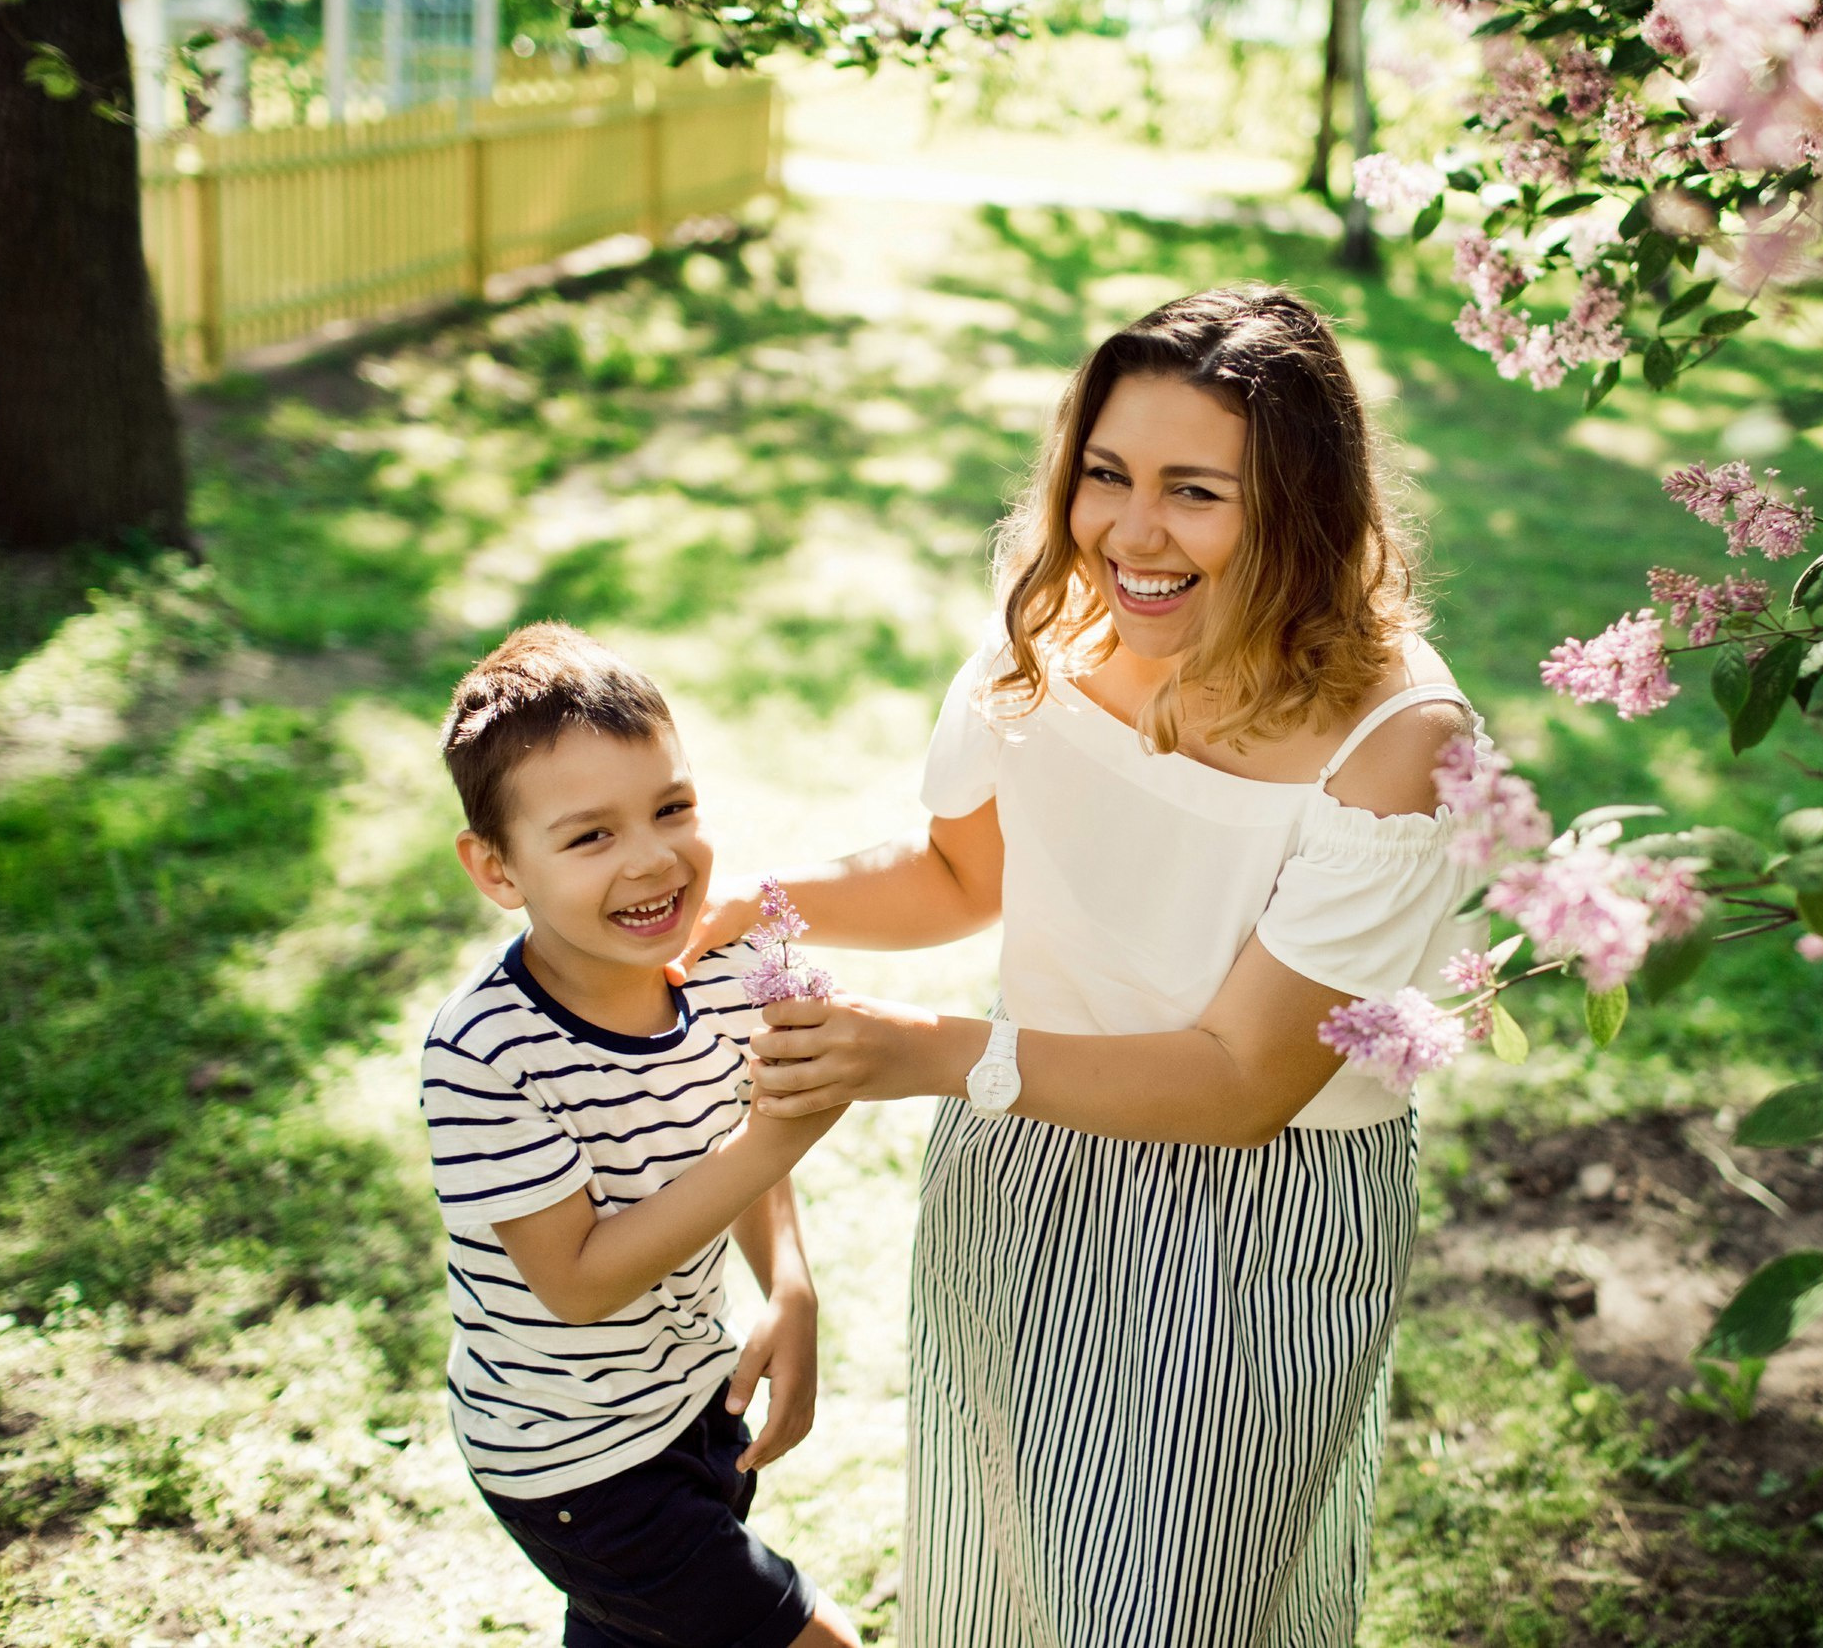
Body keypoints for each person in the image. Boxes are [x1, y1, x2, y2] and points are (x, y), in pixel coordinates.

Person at [678, 288, 1486, 1646]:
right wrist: (751, 904)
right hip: (1026, 1162)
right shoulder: (1048, 627)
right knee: (1013, 1576)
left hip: (1258, 1226)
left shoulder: (1395, 735)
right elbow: (963, 877)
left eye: (1196, 491)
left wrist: (934, 1051)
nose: (1130, 531)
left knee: (1165, 1610)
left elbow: (1242, 1082)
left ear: (1300, 507)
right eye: (1105, 474)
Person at [421, 622, 861, 1648]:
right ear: (497, 870)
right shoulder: (486, 1052)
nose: (654, 858)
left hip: (688, 1401)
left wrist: (789, 1285)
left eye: (672, 807)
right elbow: (575, 1281)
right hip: (571, 1459)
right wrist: (774, 1141)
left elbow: (733, 1131)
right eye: (590, 835)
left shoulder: (721, 962)